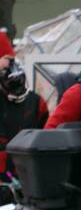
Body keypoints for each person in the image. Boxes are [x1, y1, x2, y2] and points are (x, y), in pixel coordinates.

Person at [0, 32, 48, 173]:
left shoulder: (35, 102)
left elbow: (44, 137)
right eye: (5, 59)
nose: (10, 64)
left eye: (11, 59)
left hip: (25, 172)